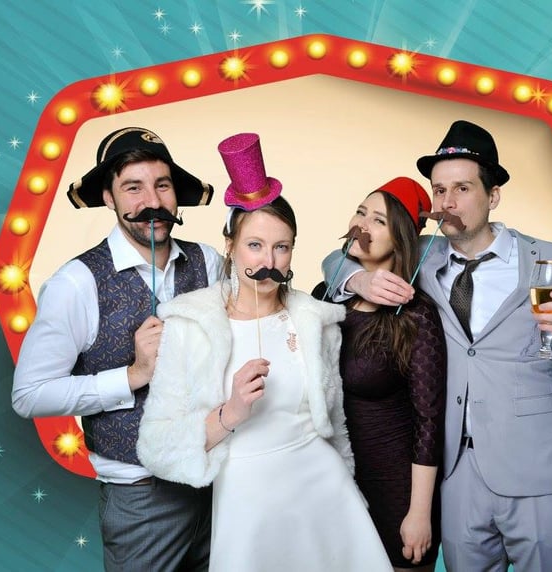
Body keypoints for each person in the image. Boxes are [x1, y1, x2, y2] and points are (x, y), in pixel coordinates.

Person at [322, 120, 552, 572]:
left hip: (539, 473)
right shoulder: (422, 258)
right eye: (439, 191)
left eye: (462, 189)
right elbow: (340, 255)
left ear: (493, 195)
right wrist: (358, 279)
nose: (448, 203)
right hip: (456, 476)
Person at [137, 132, 392, 571]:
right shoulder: (189, 326)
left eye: (281, 247)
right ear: (231, 247)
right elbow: (156, 445)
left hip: (325, 495)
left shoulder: (316, 321)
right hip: (248, 501)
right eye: (254, 245)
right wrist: (230, 413)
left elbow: (336, 426)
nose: (268, 261)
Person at [12, 127, 220, 571]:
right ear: (108, 197)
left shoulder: (208, 261)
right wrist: (133, 375)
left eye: (162, 185)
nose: (152, 201)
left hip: (220, 482)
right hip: (143, 499)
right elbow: (29, 395)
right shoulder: (76, 284)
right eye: (133, 187)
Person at [314, 177, 446, 571]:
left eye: (378, 220)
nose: (362, 225)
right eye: (360, 212)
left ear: (400, 238)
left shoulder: (416, 315)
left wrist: (419, 513)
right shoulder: (326, 295)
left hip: (395, 489)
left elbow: (429, 422)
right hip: (335, 484)